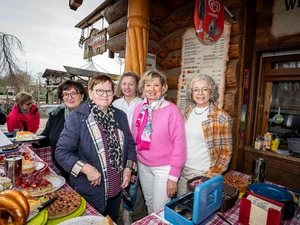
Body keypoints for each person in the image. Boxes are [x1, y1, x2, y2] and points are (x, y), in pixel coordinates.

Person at [55, 75, 137, 222]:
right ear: (90, 92)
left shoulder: (120, 116)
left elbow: (130, 145)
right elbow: (61, 152)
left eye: (108, 91)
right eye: (99, 90)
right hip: (90, 190)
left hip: (116, 188)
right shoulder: (78, 117)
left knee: (109, 220)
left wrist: (128, 168)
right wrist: (86, 168)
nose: (105, 95)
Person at [131, 69, 186, 214]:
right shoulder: (139, 109)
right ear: (143, 88)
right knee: (149, 204)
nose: (152, 89)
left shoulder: (172, 110)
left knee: (159, 209)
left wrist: (174, 175)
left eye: (156, 85)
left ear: (163, 88)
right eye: (148, 85)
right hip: (143, 165)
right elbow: (134, 137)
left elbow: (179, 144)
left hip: (164, 168)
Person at [177, 74, 232, 196]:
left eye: (204, 89)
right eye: (196, 89)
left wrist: (210, 175)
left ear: (211, 91)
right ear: (191, 93)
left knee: (198, 210)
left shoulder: (221, 117)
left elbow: (226, 152)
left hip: (203, 172)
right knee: (182, 207)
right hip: (182, 169)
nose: (200, 93)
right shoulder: (186, 113)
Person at [36, 80, 88, 178]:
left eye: (74, 93)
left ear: (82, 96)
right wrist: (34, 140)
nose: (70, 97)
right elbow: (47, 136)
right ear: (62, 97)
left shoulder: (88, 115)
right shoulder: (56, 114)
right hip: (60, 168)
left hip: (84, 172)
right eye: (66, 94)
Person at [113, 72, 142, 225]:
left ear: (136, 86)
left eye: (131, 83)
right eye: (124, 84)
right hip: (118, 150)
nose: (127, 87)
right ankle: (116, 208)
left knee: (132, 183)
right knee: (119, 180)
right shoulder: (115, 104)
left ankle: (128, 211)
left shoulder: (143, 103)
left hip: (137, 150)